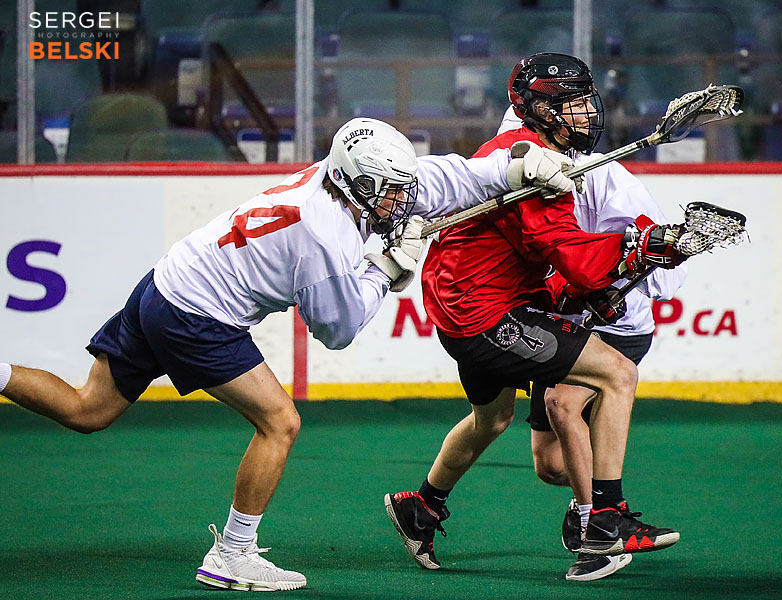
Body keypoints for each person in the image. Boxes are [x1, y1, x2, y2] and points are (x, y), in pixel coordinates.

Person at [0, 117, 578, 592]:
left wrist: (515, 166)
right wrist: (386, 268)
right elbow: (339, 329)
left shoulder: (343, 177)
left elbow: (439, 178)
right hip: (197, 316)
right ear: (362, 185)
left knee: (87, 409)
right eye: (391, 192)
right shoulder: (324, 236)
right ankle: (232, 554)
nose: (402, 199)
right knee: (279, 422)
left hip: (166, 282)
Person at [385, 53, 685, 581]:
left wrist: (618, 260)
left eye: (585, 101)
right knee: (618, 374)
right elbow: (575, 259)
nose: (584, 115)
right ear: (535, 109)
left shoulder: (521, 149)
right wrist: (639, 248)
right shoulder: (535, 164)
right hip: (486, 314)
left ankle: (422, 506)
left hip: (460, 304)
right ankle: (604, 519)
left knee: (492, 419)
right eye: (568, 105)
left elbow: (542, 254)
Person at [497, 105, 689, 580]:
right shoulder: (508, 184)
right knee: (550, 466)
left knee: (564, 404)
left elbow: (671, 271)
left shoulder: (611, 181)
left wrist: (616, 282)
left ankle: (598, 526)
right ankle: (590, 510)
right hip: (562, 320)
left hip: (617, 328)